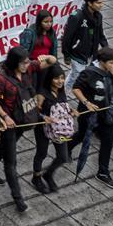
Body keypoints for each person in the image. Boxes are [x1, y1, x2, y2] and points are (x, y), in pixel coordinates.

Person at [0, 47, 39, 213]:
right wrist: (4, 117)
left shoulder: (26, 72)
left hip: (22, 121)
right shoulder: (1, 79)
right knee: (11, 162)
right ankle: (18, 198)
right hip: (9, 123)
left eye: (28, 62)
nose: (27, 65)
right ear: (15, 62)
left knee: (3, 147)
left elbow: (48, 61)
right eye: (24, 63)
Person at [69, 47, 113, 189]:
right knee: (81, 135)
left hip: (108, 113)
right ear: (101, 62)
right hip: (89, 114)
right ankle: (66, 147)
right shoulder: (89, 73)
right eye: (111, 63)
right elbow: (76, 88)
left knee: (108, 141)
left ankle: (103, 172)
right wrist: (86, 102)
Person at [31, 63, 73, 194]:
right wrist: (44, 117)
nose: (60, 81)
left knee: (63, 156)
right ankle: (36, 177)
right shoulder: (42, 94)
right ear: (50, 78)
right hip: (43, 129)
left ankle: (48, 174)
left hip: (59, 129)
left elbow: (63, 107)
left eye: (62, 77)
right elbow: (33, 112)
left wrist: (71, 111)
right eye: (56, 78)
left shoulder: (61, 91)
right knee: (42, 153)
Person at [61, 0, 107, 91]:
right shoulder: (77, 16)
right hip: (77, 54)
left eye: (102, 2)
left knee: (82, 75)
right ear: (89, 3)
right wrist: (66, 55)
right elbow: (67, 38)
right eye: (98, 3)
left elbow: (100, 34)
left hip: (91, 53)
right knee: (76, 76)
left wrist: (106, 48)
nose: (101, 5)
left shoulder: (98, 16)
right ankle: (64, 95)